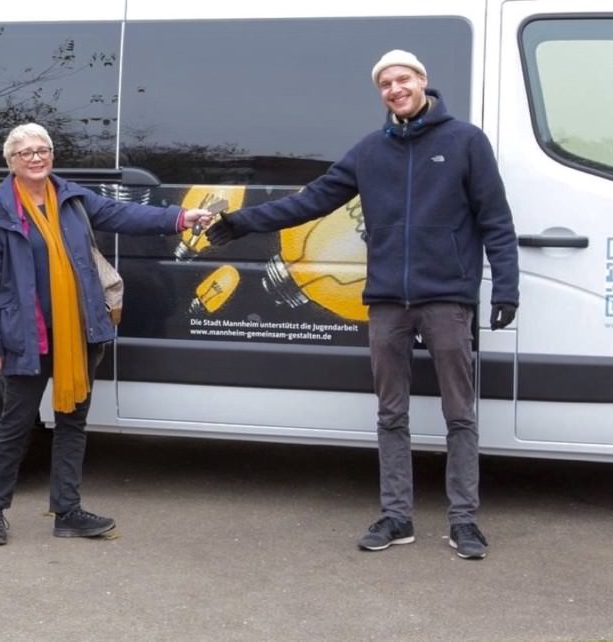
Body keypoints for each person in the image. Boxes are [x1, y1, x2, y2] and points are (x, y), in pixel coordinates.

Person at [205, 50, 519, 560]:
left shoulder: (465, 142)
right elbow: (309, 202)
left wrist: (506, 287)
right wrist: (243, 221)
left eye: (403, 79)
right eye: (385, 83)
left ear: (423, 81)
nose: (395, 88)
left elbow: (496, 221)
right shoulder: (370, 151)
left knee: (460, 413)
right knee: (390, 413)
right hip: (388, 302)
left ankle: (464, 520)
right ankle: (397, 517)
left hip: (446, 298)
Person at [0, 123, 213, 546]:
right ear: (11, 162)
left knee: (73, 423)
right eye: (25, 152)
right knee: (16, 423)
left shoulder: (72, 198)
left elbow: (124, 214)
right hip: (28, 336)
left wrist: (178, 217)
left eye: (42, 149)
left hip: (79, 331)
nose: (35, 158)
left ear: (52, 156)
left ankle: (67, 510)